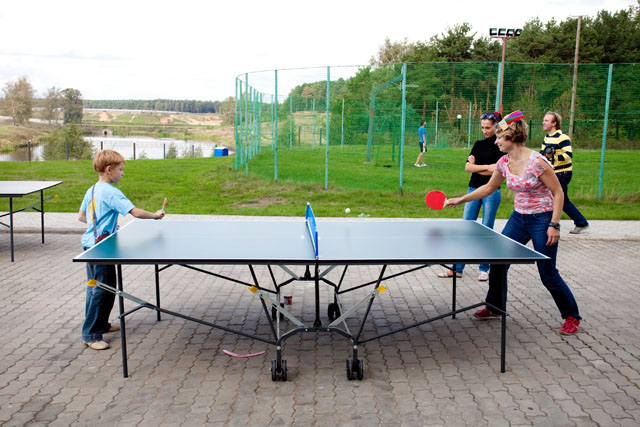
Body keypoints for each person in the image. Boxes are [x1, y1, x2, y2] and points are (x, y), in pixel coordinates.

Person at [444, 111, 582, 335]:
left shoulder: (537, 162)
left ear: (513, 138)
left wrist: (554, 224)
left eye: (500, 137)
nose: (496, 141)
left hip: (542, 219)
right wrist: (460, 199)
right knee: (498, 262)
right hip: (519, 218)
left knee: (547, 272)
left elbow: (558, 193)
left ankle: (571, 316)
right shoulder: (504, 162)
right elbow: (488, 188)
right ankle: (495, 306)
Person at [78, 150, 165, 350]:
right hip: (100, 248)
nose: (122, 173)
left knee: (103, 286)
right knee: (100, 290)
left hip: (91, 244)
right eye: (121, 169)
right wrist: (155, 215)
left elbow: (81, 216)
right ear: (109, 170)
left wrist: (101, 226)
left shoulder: (92, 189)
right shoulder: (111, 192)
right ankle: (90, 334)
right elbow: (135, 212)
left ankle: (102, 324)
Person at [438, 112, 504, 281]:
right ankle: (457, 269)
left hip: (492, 191)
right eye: (482, 127)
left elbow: (497, 171)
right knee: (465, 229)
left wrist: (477, 166)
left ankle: (484, 269)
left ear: (496, 127)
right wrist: (486, 167)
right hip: (473, 188)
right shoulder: (478, 144)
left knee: (486, 231)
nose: (484, 130)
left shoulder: (501, 145)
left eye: (488, 127)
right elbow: (469, 168)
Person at [541, 112, 589, 234]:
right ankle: (580, 222)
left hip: (562, 173)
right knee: (559, 199)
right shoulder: (547, 138)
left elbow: (568, 155)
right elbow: (543, 153)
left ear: (554, 123)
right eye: (544, 120)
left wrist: (553, 157)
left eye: (546, 120)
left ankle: (578, 223)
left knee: (559, 199)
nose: (543, 122)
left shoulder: (562, 138)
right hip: (553, 172)